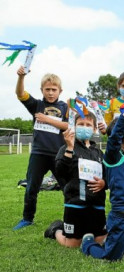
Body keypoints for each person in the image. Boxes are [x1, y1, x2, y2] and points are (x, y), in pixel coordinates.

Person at [81, 92, 124, 261]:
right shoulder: (113, 156)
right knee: (110, 256)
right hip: (122, 215)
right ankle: (88, 244)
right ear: (120, 141)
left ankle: (116, 240)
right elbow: (116, 134)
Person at [13, 66, 69, 230]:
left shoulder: (65, 107)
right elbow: (20, 94)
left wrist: (47, 119)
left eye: (54, 89)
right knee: (31, 187)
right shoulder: (36, 105)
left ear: (60, 90)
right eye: (47, 89)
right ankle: (27, 219)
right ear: (42, 90)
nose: (51, 92)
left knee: (67, 188)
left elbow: (67, 126)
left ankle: (71, 218)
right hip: (38, 154)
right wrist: (21, 77)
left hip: (59, 155)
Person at [44, 112, 107, 247]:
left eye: (88, 125)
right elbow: (60, 172)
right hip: (75, 203)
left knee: (100, 241)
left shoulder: (99, 153)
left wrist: (104, 183)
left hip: (97, 204)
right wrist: (69, 148)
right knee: (72, 245)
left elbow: (107, 175)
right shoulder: (66, 148)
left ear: (95, 129)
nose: (84, 127)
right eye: (81, 124)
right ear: (74, 127)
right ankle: (56, 229)